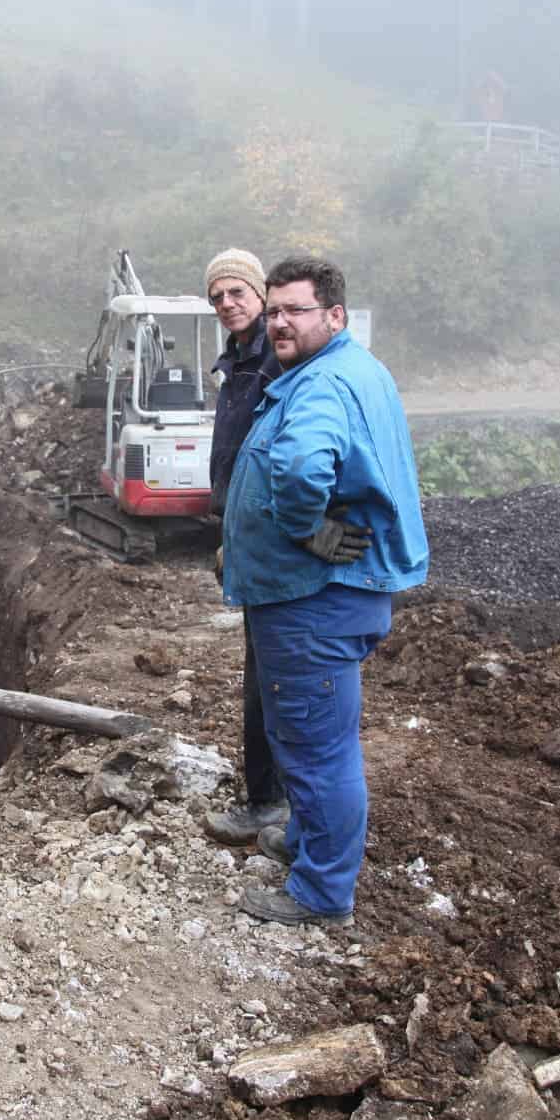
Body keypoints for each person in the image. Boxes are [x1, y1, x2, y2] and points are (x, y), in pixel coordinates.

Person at [220, 255, 428, 926]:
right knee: (313, 735)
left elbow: (305, 465)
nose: (279, 322)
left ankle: (321, 893)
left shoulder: (320, 387)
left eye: (294, 310)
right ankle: (309, 842)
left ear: (334, 316)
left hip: (314, 595)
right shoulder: (348, 370)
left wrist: (304, 530)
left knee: (317, 747)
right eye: (273, 310)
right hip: (330, 594)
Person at [197, 248, 288, 846]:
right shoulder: (235, 362)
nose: (228, 304)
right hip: (245, 530)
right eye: (218, 297)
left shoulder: (274, 363)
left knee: (271, 677)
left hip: (270, 537)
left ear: (260, 294)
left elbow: (283, 458)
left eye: (237, 293)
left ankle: (269, 802)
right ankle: (272, 794)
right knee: (264, 670)